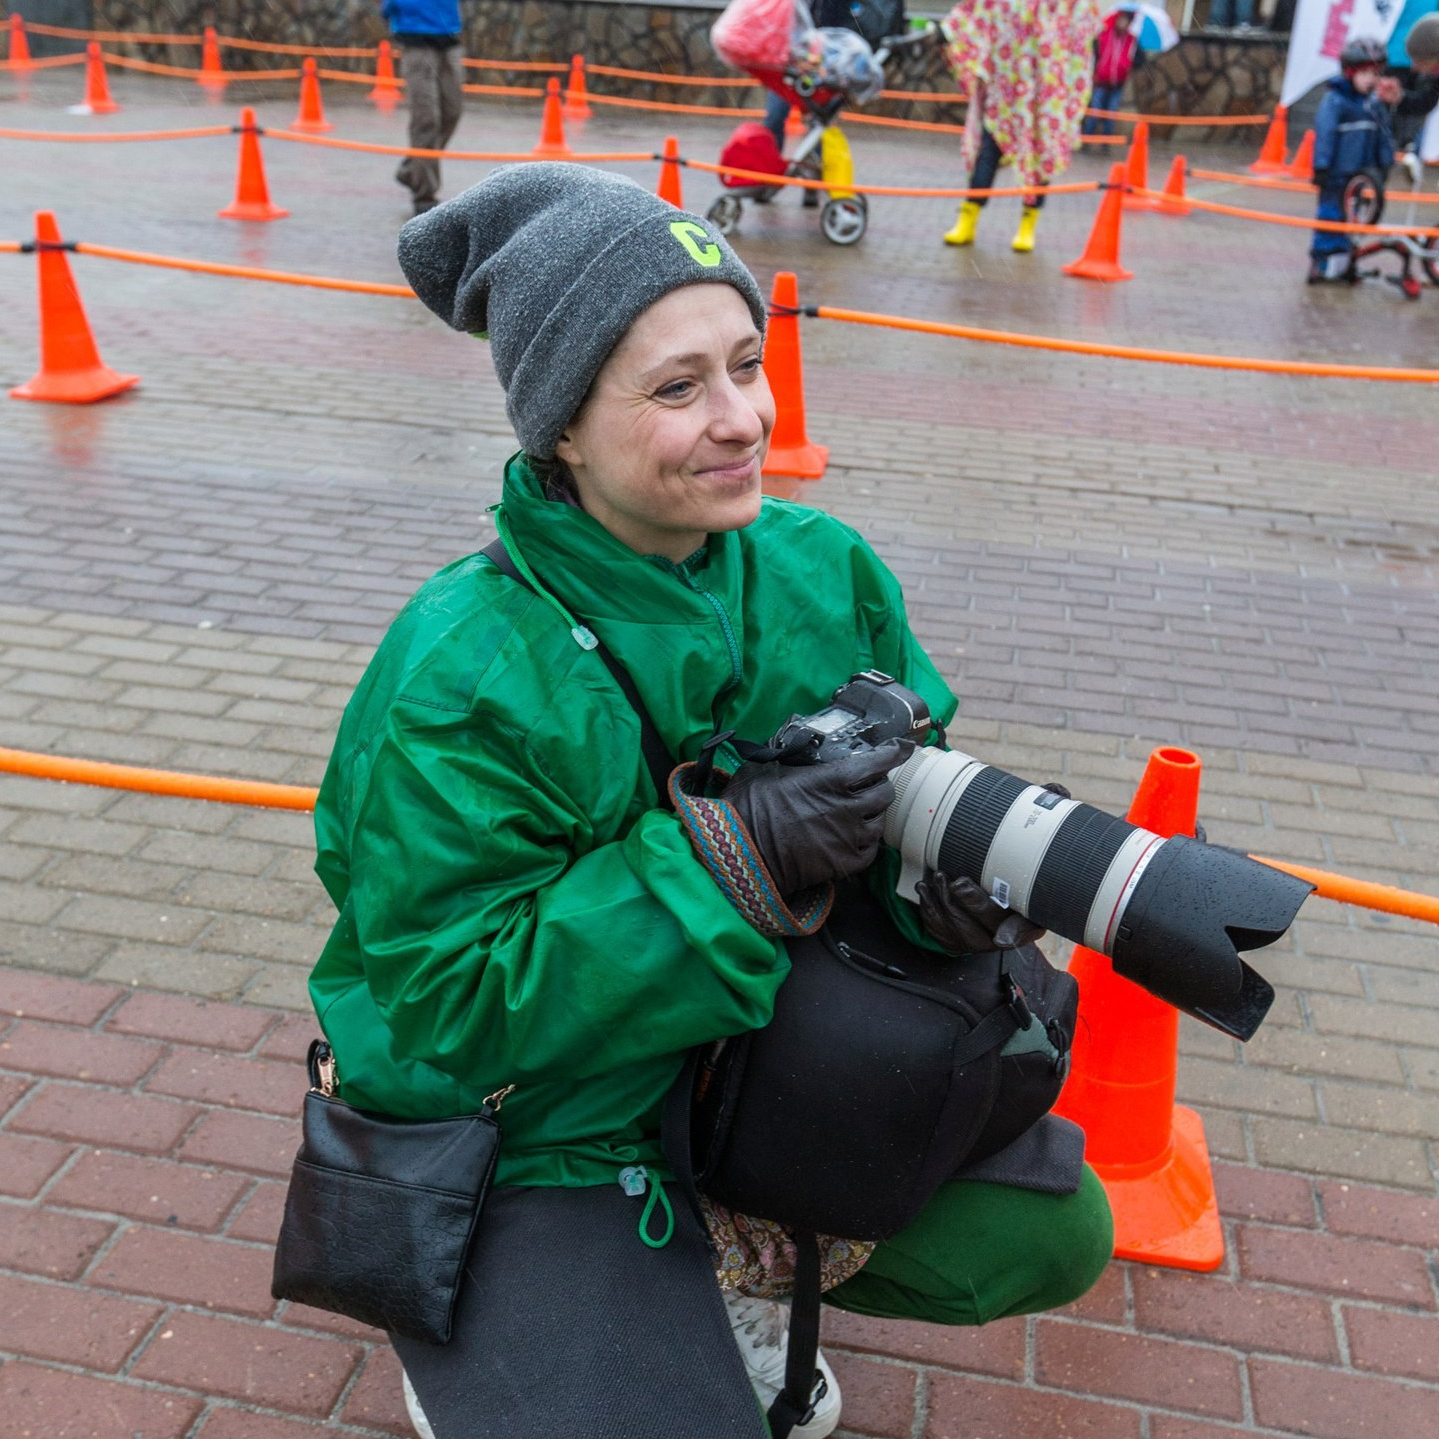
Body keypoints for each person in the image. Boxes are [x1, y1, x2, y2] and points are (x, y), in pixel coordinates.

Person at [309, 163, 1113, 1439]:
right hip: (532, 1120)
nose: (739, 417)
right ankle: (470, 1294)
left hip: (745, 1055)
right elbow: (445, 998)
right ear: (562, 426)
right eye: (677, 387)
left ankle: (713, 1270)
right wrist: (725, 857)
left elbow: (902, 790)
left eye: (745, 361)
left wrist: (939, 904)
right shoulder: (461, 668)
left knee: (1047, 1229)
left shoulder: (817, 564)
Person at [941, 0, 1103, 253]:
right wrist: (952, 30)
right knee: (988, 153)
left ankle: (1028, 223)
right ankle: (968, 216)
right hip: (1005, 90)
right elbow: (977, 12)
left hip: (1044, 94)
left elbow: (1083, 35)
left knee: (1039, 157)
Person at [1309, 36, 1395, 284]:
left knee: (1351, 221)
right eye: (1365, 73)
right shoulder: (1335, 101)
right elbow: (1324, 135)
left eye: (1375, 73)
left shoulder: (1373, 104)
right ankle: (1321, 264)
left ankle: (1344, 265)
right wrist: (1321, 166)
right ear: (1350, 72)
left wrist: (1384, 164)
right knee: (1330, 218)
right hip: (1336, 175)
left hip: (1360, 178)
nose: (1372, 79)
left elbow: (1383, 136)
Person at [381, 0, 464, 215]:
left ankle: (412, 169)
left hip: (448, 35)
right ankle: (424, 195)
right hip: (416, 40)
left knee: (452, 112)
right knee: (426, 119)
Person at [1378, 9, 1439, 167]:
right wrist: (1400, 98)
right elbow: (1427, 101)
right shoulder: (1434, 75)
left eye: (1419, 61)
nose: (1414, 68)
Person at [1083, 5, 1144, 138]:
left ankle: (1106, 142)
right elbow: (1094, 53)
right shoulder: (1104, 35)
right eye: (1121, 19)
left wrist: (1129, 66)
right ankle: (1087, 139)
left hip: (1118, 83)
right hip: (1101, 81)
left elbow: (1140, 60)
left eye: (1126, 21)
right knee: (1095, 112)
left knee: (1111, 114)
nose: (1123, 23)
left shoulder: (1131, 41)